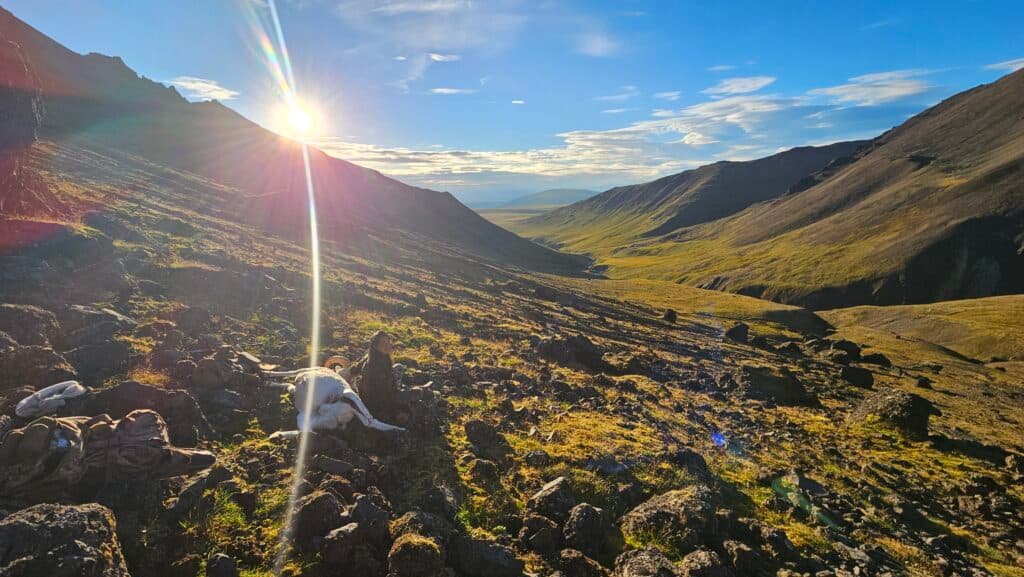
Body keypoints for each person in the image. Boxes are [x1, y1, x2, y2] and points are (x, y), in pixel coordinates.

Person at [348, 331, 405, 424]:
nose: (387, 345)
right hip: (376, 406)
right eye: (383, 343)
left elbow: (355, 369)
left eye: (388, 342)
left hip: (366, 399)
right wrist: (396, 406)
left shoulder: (371, 356)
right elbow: (382, 392)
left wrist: (346, 371)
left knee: (398, 367)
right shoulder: (378, 366)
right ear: (375, 345)